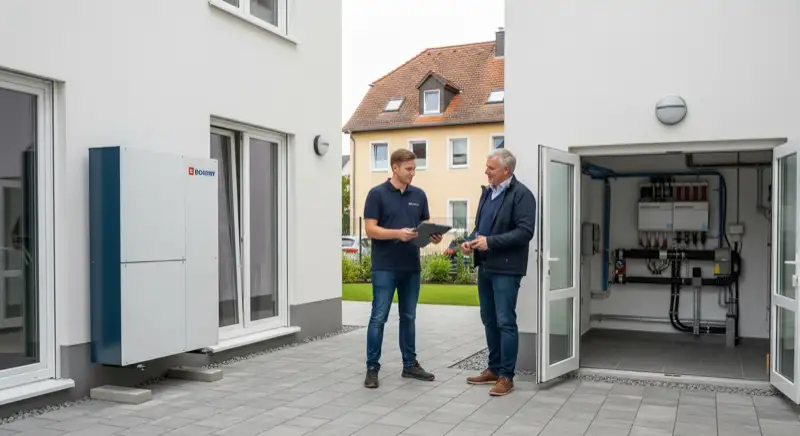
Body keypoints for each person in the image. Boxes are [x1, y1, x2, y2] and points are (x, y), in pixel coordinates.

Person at [363, 149, 443, 388]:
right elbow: (370, 230)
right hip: (385, 267)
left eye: (414, 168)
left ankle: (410, 365)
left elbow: (424, 228)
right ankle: (372, 368)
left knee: (409, 317)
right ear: (395, 168)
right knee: (379, 317)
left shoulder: (419, 195)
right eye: (408, 169)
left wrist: (433, 237)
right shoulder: (376, 194)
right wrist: (398, 233)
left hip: (411, 267)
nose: (412, 173)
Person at [461, 148, 536, 396]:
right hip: (486, 267)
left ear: (506, 170)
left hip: (507, 269)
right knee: (489, 319)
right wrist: (470, 241)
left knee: (505, 321)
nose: (486, 171)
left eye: (491, 168)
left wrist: (490, 242)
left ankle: (506, 376)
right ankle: (493, 368)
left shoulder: (522, 195)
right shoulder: (487, 194)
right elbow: (480, 229)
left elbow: (525, 232)